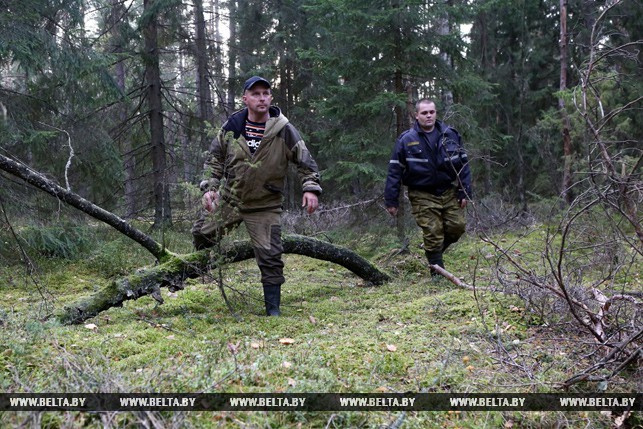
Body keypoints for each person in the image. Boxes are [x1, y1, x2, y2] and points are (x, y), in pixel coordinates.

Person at [192, 76, 322, 316]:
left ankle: (273, 310)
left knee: (271, 257)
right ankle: (189, 273)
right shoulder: (232, 127)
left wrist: (310, 188)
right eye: (255, 94)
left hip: (265, 205)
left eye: (265, 93)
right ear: (245, 99)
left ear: (271, 98)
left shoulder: (284, 130)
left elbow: (306, 161)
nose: (261, 98)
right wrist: (210, 188)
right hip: (231, 200)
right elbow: (215, 159)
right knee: (202, 233)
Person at [384, 98, 472, 276]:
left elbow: (464, 165)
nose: (429, 116)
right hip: (421, 193)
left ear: (435, 113)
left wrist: (464, 191)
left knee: (458, 227)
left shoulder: (450, 135)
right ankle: (437, 274)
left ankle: (434, 252)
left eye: (431, 112)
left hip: (448, 190)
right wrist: (391, 200)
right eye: (424, 113)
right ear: (416, 116)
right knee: (433, 231)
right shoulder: (406, 140)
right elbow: (394, 171)